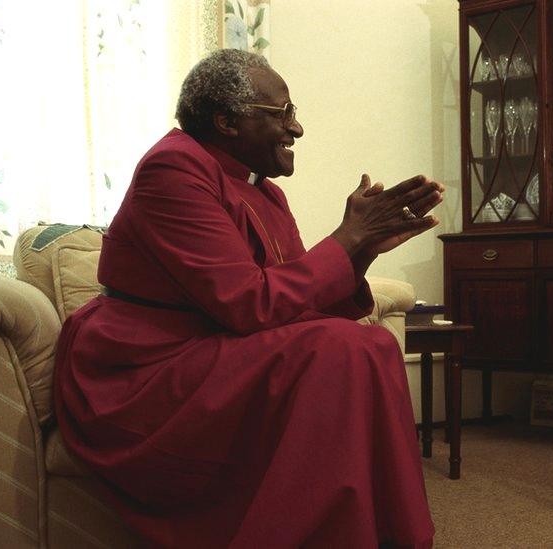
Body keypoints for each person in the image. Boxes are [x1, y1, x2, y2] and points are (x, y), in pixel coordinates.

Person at [53, 49, 442, 547]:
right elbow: (247, 304)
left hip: (215, 344)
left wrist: (360, 249)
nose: (296, 129)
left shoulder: (267, 192)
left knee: (372, 345)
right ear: (226, 121)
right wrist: (345, 240)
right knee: (341, 350)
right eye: (283, 114)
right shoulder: (172, 168)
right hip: (144, 367)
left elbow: (297, 301)